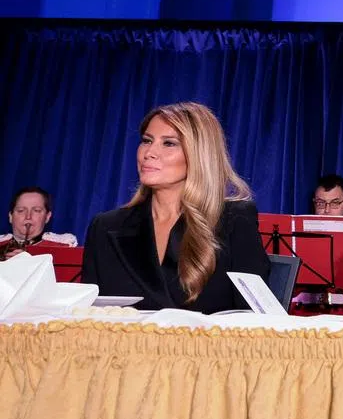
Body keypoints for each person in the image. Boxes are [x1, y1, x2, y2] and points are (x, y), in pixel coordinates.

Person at [82, 102, 270, 313]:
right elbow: (89, 319)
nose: (149, 153)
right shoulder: (104, 227)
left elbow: (255, 319)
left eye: (169, 143)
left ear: (199, 154)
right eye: (146, 141)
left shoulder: (234, 220)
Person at [1, 187, 78, 261]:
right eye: (21, 210)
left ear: (47, 217)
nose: (28, 216)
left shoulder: (63, 247)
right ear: (10, 216)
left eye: (36, 210)